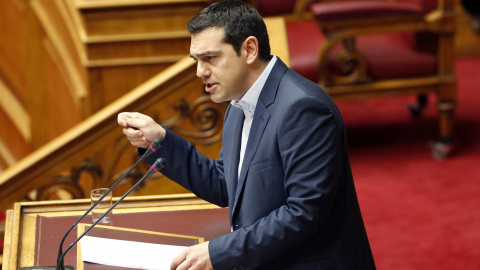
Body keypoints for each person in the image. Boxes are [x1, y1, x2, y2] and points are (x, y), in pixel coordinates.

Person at [118, 1, 375, 269]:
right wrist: (159, 142)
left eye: (210, 58)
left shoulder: (303, 108)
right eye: (197, 60)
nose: (200, 72)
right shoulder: (239, 105)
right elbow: (227, 184)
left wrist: (219, 252)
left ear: (249, 50)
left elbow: (305, 213)